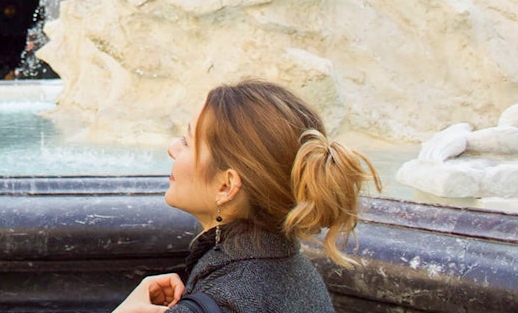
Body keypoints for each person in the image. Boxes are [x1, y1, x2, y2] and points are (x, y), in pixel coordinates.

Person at [112, 79, 380, 313]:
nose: (173, 148)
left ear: (226, 187)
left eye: (188, 141)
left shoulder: (225, 297)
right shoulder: (301, 274)